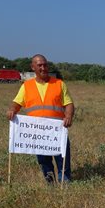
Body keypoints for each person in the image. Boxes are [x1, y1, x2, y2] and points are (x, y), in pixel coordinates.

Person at [7, 54, 75, 183]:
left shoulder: (59, 84)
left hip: (57, 132)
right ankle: (50, 184)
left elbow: (69, 104)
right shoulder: (27, 86)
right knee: (44, 162)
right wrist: (12, 110)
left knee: (63, 161)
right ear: (33, 67)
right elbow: (16, 103)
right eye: (39, 65)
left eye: (45, 64)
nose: (43, 68)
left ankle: (65, 186)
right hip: (38, 134)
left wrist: (68, 116)